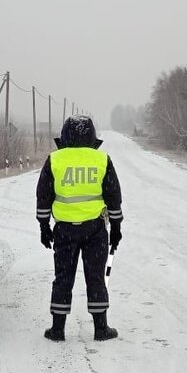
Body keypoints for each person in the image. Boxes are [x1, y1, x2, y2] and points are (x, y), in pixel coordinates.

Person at [36, 116, 123, 342]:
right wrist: (116, 227)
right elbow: (113, 196)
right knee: (95, 277)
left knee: (63, 277)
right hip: (95, 230)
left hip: (64, 231)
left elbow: (44, 195)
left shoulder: (55, 160)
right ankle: (101, 329)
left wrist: (43, 225)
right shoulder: (102, 160)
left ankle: (57, 330)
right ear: (92, 137)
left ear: (64, 137)